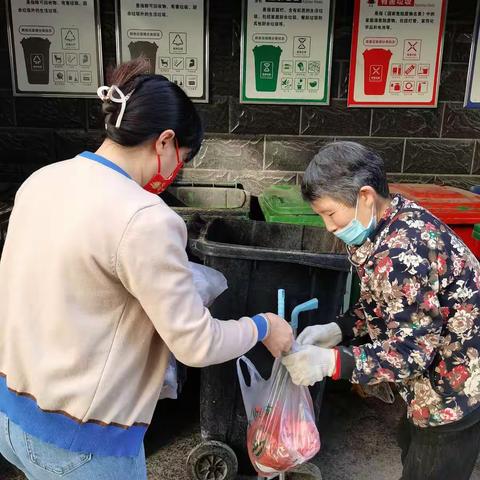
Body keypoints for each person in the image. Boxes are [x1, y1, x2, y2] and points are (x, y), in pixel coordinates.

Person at [0, 59, 293, 480]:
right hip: (80, 441)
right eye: (184, 158)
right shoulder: (145, 217)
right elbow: (197, 345)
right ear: (166, 141)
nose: (179, 170)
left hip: (12, 414)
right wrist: (263, 327)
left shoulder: (44, 179)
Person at [281, 141, 480, 480]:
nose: (328, 225)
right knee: (410, 443)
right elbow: (384, 302)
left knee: (429, 463)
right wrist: (340, 328)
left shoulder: (405, 252)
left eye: (330, 213)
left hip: (454, 390)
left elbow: (412, 353)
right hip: (433, 379)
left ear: (365, 196)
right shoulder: (385, 225)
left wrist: (333, 363)